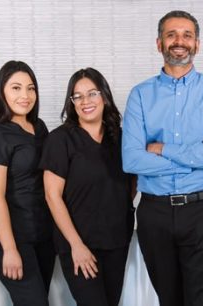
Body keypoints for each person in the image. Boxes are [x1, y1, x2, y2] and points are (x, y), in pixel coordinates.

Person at [122, 10, 203, 306]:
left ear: (197, 44)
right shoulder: (140, 95)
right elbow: (131, 161)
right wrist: (197, 157)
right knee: (168, 300)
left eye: (187, 35)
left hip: (202, 212)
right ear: (159, 43)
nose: (179, 41)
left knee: (201, 300)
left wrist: (164, 150)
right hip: (154, 214)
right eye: (171, 35)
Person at [40, 68, 135, 306]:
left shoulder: (121, 138)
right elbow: (52, 196)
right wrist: (76, 245)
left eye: (92, 93)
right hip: (79, 243)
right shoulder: (60, 140)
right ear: (71, 102)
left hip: (116, 240)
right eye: (78, 96)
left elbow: (130, 184)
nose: (86, 101)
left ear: (104, 95)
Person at [0, 60, 53, 305]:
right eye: (16, 88)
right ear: (2, 91)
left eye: (31, 88)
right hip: (11, 235)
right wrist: (9, 249)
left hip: (42, 231)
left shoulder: (39, 127)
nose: (25, 95)